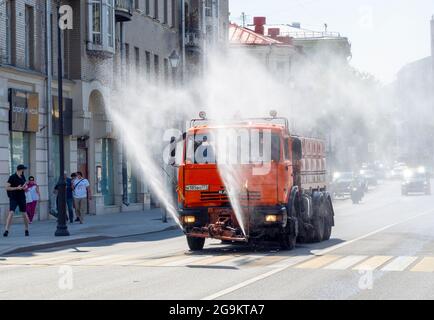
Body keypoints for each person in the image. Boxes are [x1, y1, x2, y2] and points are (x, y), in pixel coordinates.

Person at [4, 164, 30, 237]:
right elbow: (7, 187)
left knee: (24, 214)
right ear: (20, 170)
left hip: (21, 197)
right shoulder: (12, 177)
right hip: (14, 198)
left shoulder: (22, 177)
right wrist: (16, 188)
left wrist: (25, 187)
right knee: (11, 213)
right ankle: (6, 230)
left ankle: (26, 229)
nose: (24, 171)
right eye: (23, 169)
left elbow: (24, 187)